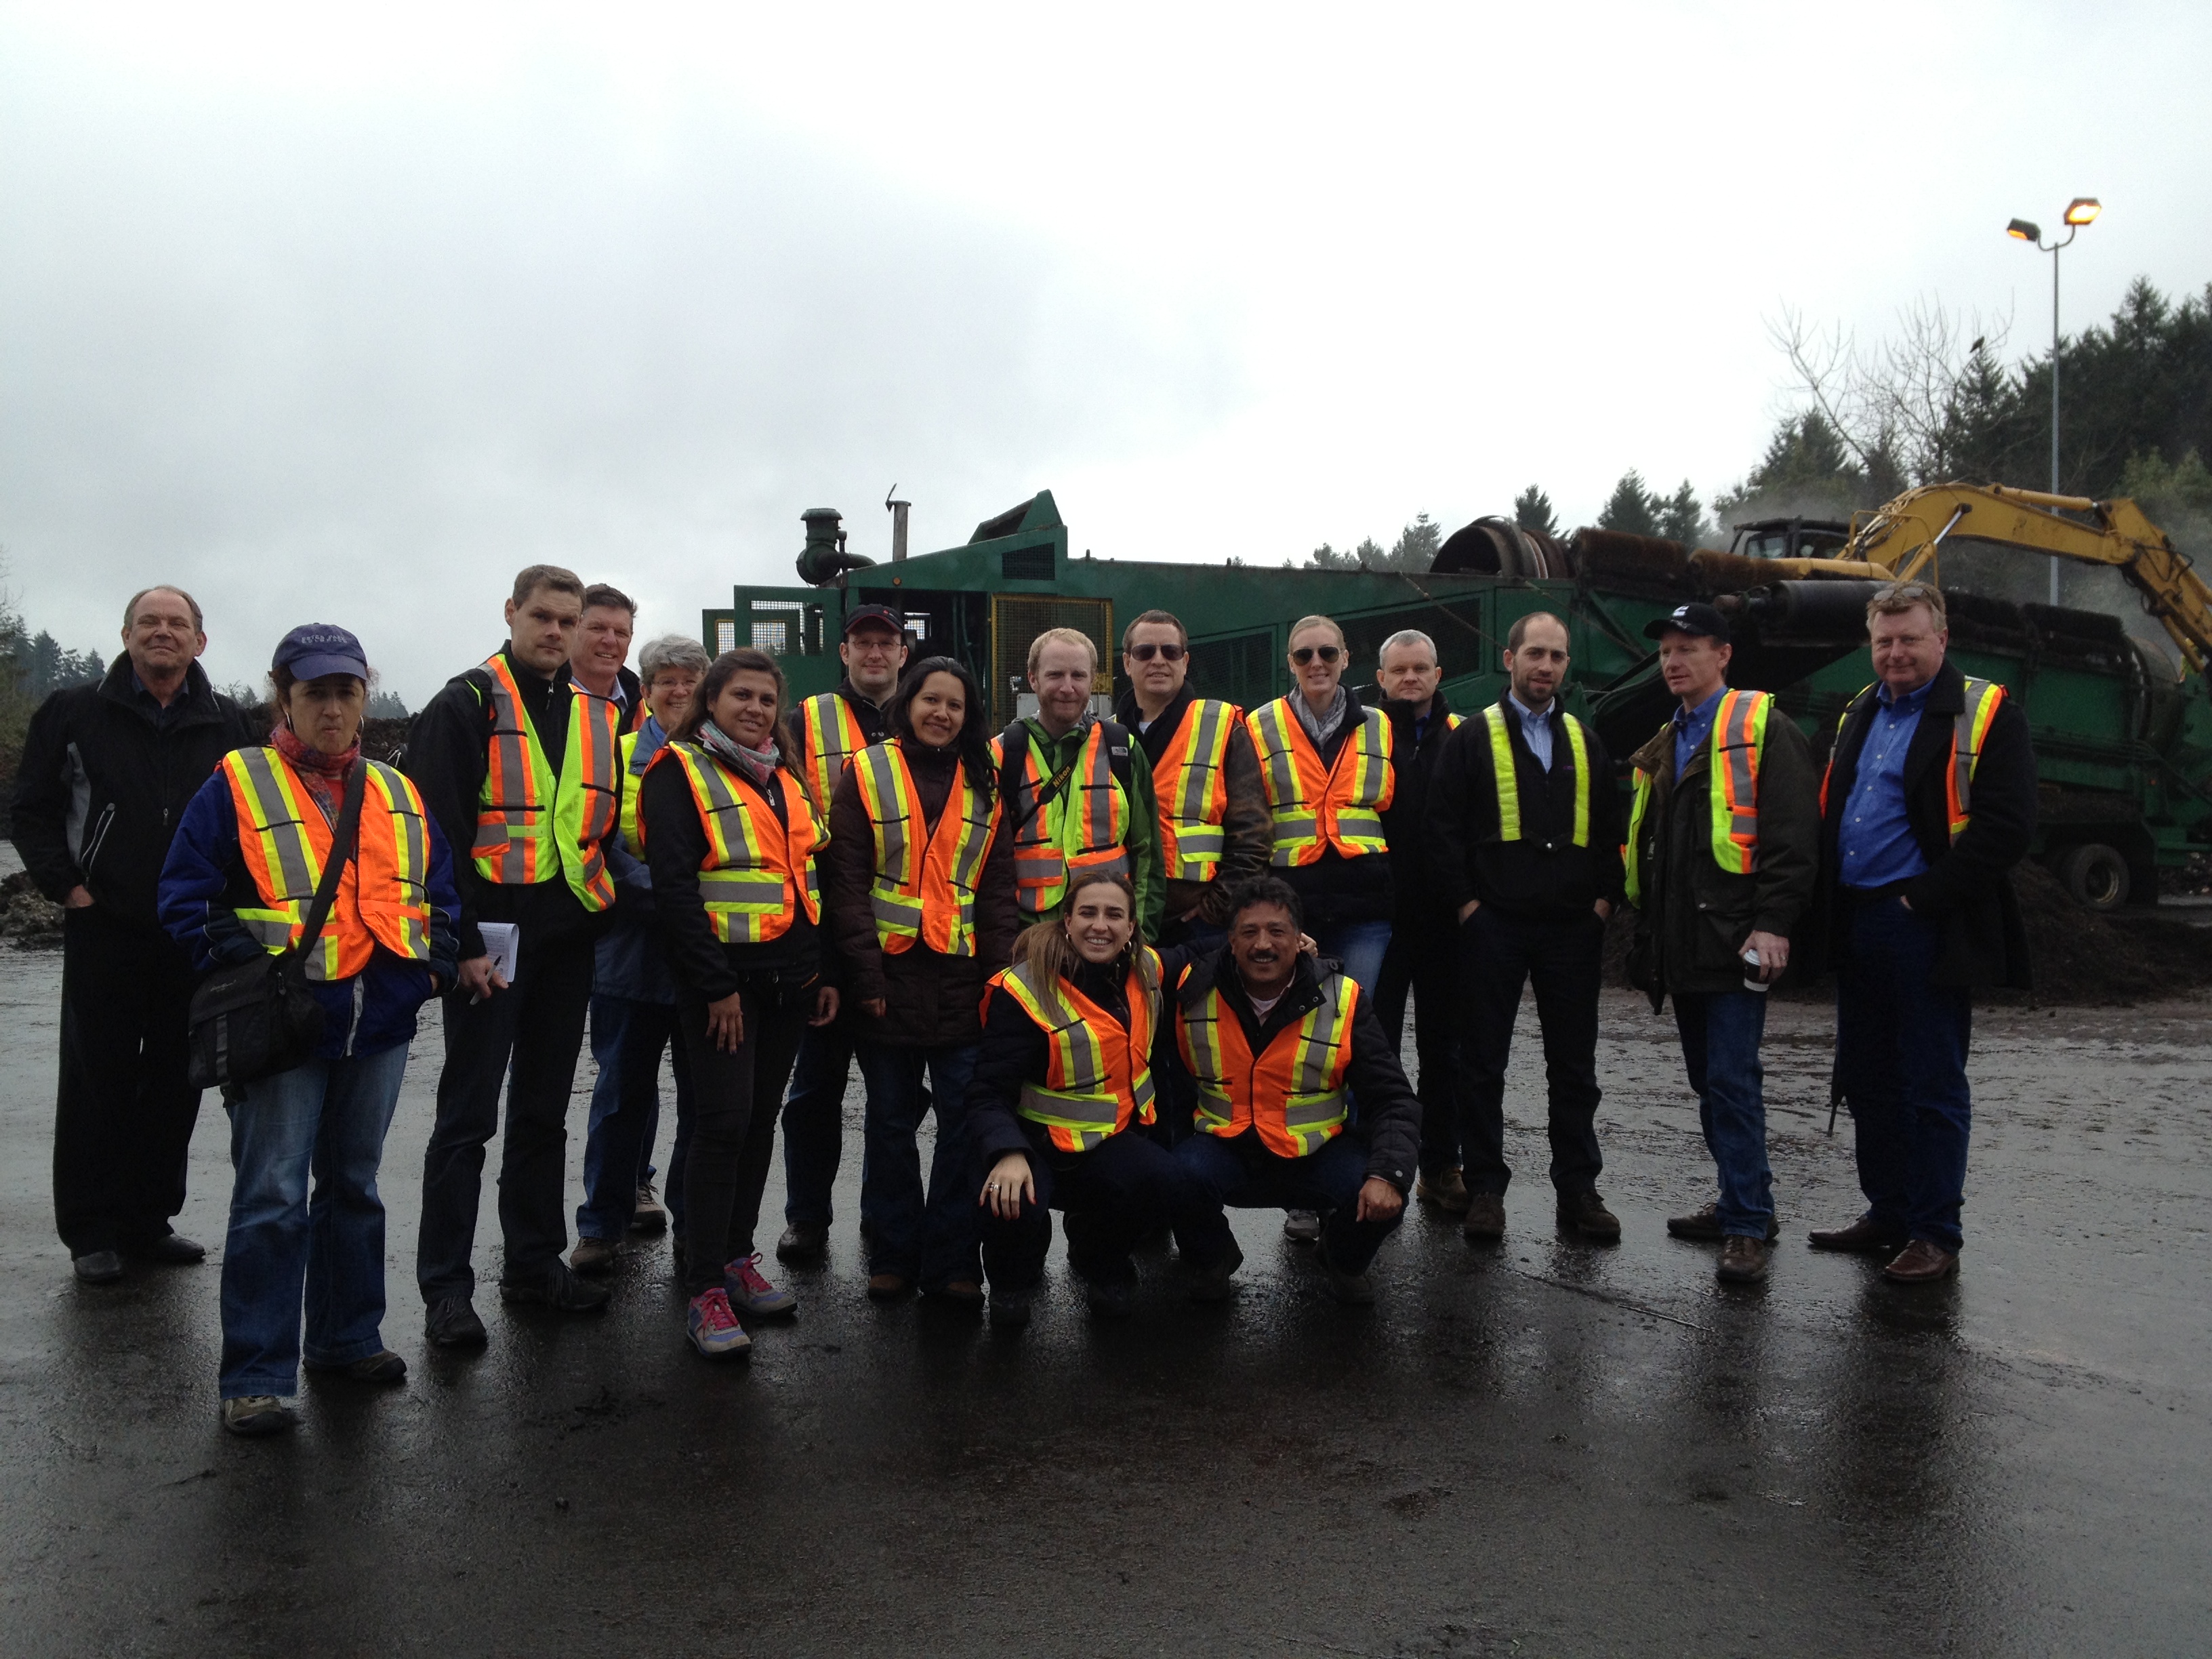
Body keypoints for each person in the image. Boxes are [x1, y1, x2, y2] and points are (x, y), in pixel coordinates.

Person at [159, 625, 459, 1436]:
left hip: (382, 1019)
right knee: (272, 1197)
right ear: (283, 695)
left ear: (364, 697)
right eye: (316, 692)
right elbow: (186, 895)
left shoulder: (398, 791)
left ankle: (345, 1339)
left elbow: (439, 892)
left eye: (346, 691)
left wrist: (432, 965)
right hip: (284, 1027)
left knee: (354, 1188)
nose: (333, 707)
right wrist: (246, 970)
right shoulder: (238, 781)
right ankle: (256, 1377)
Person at [11, 585, 258, 1285]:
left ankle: (150, 1220)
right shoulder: (75, 711)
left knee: (177, 1080)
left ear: (199, 643)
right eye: (149, 622)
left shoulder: (227, 723)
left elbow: (249, 823)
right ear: (126, 635)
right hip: (105, 925)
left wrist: (233, 911)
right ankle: (91, 1229)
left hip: (191, 930)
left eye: (177, 624)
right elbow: (32, 808)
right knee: (98, 1077)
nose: (163, 632)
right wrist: (70, 888)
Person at [409, 565, 628, 1346]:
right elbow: (430, 838)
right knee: (467, 1119)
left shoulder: (598, 711)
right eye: (544, 617)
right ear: (511, 613)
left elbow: (591, 829)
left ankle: (534, 1264)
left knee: (541, 1114)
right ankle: (446, 1289)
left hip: (566, 945)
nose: (558, 633)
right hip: (488, 947)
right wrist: (460, 944)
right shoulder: (465, 703)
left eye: (570, 621)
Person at [1807, 581, 2034, 1284]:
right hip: (1859, 918)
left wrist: (1922, 901)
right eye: (1884, 641)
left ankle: (1936, 1232)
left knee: (1933, 1084)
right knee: (1868, 1078)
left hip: (1925, 923)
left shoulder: (1985, 711)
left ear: (1941, 639)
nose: (1897, 652)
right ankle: (1889, 1212)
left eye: (1910, 638)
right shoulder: (1859, 711)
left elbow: (2006, 828)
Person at [638, 648, 838, 1357]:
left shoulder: (785, 778)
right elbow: (675, 894)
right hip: (721, 987)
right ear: (711, 700)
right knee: (720, 1123)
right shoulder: (678, 774)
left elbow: (804, 879)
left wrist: (817, 973)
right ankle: (704, 1290)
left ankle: (736, 1256)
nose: (754, 709)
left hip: (787, 982)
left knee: (757, 1122)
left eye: (765, 699)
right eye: (740, 696)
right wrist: (716, 987)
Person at [1624, 602, 1819, 1284]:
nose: (1675, 660)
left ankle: (1744, 1227)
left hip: (1737, 942)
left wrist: (1774, 922)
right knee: (1711, 1083)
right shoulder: (1666, 739)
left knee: (1733, 1083)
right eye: (1667, 650)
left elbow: (1794, 838)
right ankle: (1746, 1202)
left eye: (1690, 647)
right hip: (1686, 949)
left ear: (1724, 655)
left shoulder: (1764, 729)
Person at [823, 656, 1019, 1304]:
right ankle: (894, 1255)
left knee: (964, 1124)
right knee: (889, 1124)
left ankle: (954, 1262)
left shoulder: (985, 782)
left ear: (969, 717)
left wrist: (999, 984)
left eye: (955, 706)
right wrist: (864, 975)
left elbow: (995, 893)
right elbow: (846, 883)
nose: (941, 714)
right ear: (907, 703)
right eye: (930, 700)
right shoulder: (867, 771)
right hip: (887, 976)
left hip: (964, 981)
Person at [1429, 612, 1626, 1242]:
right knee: (1481, 1063)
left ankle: (1578, 1189)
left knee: (1574, 1067)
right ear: (1510, 658)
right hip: (1494, 928)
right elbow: (1442, 830)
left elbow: (1610, 832)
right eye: (1535, 653)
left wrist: (1603, 903)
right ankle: (1485, 1188)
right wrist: (1468, 909)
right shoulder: (1471, 738)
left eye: (1557, 657)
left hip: (1572, 929)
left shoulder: (1584, 740)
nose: (1546, 667)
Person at [1170, 877, 1420, 1305]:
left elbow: (1393, 1099)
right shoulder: (1192, 990)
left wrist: (1388, 1175)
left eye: (1277, 932)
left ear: (1300, 939)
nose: (1262, 944)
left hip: (1317, 1155)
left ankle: (1342, 1258)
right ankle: (1212, 1260)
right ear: (1230, 941)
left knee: (1388, 1192)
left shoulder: (1344, 999)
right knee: (1173, 1177)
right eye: (1249, 932)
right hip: (1225, 1148)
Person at [969, 871, 1195, 1328]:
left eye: (1115, 915)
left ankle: (1100, 1260)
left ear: (1132, 928)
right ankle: (1015, 1277)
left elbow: (1206, 955)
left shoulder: (1147, 970)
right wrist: (1007, 1151)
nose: (1101, 926)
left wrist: (1302, 950)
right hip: (1033, 1146)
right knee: (1010, 1197)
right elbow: (987, 1090)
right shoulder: (1025, 987)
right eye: (1088, 912)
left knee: (1166, 1181)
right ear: (1067, 920)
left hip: (1107, 1143)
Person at [570, 632, 711, 1274]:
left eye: (689, 679)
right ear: (646, 692)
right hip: (631, 958)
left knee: (703, 1103)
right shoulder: (616, 756)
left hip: (703, 965)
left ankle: (694, 1226)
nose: (678, 690)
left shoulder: (725, 760)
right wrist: (677, 899)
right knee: (622, 1096)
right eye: (666, 680)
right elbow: (596, 844)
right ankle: (602, 1223)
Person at [776, 604, 911, 1262]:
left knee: (895, 1100)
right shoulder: (808, 720)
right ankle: (807, 1217)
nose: (876, 653)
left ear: (903, 653)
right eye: (865, 642)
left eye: (887, 642)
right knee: (814, 1093)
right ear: (846, 651)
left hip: (898, 939)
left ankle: (881, 1221)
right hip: (825, 930)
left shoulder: (929, 716)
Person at [1113, 607, 1269, 1149]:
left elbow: (1252, 829)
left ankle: (1182, 1188)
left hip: (1196, 926)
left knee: (1193, 1061)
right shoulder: (1107, 733)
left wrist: (1215, 909)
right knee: (1126, 1055)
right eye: (1145, 652)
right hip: (1123, 928)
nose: (1158, 661)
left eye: (1170, 652)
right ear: (1126, 663)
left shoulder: (1222, 724)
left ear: (1186, 660)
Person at [1369, 628, 1478, 1212]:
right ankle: (1371, 1165)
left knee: (1447, 1051)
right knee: (1374, 1050)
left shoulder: (1466, 738)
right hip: (1380, 921)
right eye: (1399, 669)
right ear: (1381, 678)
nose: (1410, 678)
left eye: (1421, 668)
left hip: (1445, 924)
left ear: (1439, 675)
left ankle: (1441, 1166)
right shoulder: (1363, 738)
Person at [1245, 615, 1396, 991]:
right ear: (1290, 662)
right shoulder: (1258, 724)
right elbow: (1247, 817)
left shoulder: (1379, 724)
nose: (1316, 663)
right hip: (1291, 905)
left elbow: (1396, 812)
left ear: (1344, 658)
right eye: (1304, 655)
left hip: (1365, 906)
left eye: (1327, 653)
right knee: (1294, 1022)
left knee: (1355, 1017)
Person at [996, 627, 1164, 941]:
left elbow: (1148, 855)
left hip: (1107, 939)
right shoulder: (1002, 754)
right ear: (1033, 679)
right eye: (1055, 675)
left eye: (1078, 676)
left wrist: (1141, 939)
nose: (1068, 688)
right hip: (1028, 937)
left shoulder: (1122, 750)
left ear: (1093, 679)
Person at [572, 583, 647, 736]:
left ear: (631, 638)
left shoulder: (649, 703)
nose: (610, 641)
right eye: (598, 629)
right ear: (573, 629)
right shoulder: (544, 697)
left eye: (621, 633)